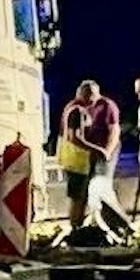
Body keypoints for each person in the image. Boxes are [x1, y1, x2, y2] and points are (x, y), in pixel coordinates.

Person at [75, 79, 125, 231]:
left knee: (101, 184)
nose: (88, 99)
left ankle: (118, 221)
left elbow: (114, 131)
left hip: (105, 149)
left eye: (91, 95)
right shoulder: (82, 108)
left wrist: (108, 152)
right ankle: (92, 219)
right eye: (85, 95)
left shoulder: (107, 106)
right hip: (91, 150)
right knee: (89, 185)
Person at [56, 91, 92, 229]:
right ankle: (75, 227)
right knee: (78, 197)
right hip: (76, 160)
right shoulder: (77, 111)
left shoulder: (72, 108)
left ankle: (77, 226)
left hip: (73, 160)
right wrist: (93, 149)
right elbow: (74, 137)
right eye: (92, 94)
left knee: (78, 196)